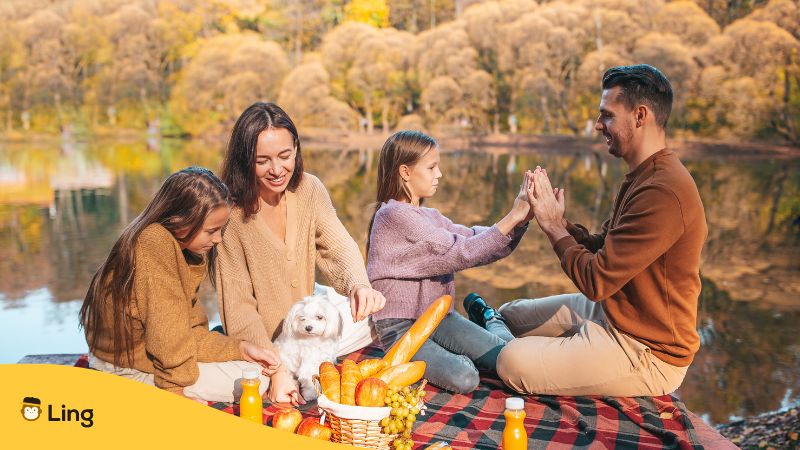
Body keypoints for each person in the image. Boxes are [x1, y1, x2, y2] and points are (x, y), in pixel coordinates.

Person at [485, 64, 708, 397]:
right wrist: (563, 224)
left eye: (607, 115)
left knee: (511, 363)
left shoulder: (664, 190)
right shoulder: (642, 174)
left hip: (646, 350)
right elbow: (603, 247)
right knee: (510, 314)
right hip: (615, 313)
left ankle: (501, 349)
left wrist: (551, 228)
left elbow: (597, 280)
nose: (597, 125)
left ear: (640, 116)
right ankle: (505, 338)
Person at [214, 102, 386, 405]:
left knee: (380, 313)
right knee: (253, 381)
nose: (278, 170)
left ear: (296, 149)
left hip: (309, 321)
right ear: (244, 161)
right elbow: (238, 306)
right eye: (262, 161)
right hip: (264, 341)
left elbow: (338, 244)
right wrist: (277, 370)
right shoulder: (229, 214)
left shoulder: (309, 189)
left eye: (285, 156)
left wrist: (359, 284)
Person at [79, 167, 281, 403]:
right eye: (211, 231)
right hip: (121, 369)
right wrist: (176, 395)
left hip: (143, 357)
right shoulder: (154, 244)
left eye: (221, 230)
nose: (218, 240)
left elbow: (187, 331)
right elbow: (167, 336)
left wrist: (241, 349)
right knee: (255, 379)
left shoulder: (178, 248)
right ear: (181, 220)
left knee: (241, 356)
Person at [366, 130, 531, 393]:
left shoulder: (430, 216)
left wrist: (521, 220)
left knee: (509, 357)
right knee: (466, 377)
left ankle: (490, 318)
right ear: (405, 172)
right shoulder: (392, 216)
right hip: (401, 327)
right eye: (431, 167)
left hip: (440, 318)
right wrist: (511, 217)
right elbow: (461, 252)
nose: (439, 174)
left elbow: (478, 240)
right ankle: (477, 335)